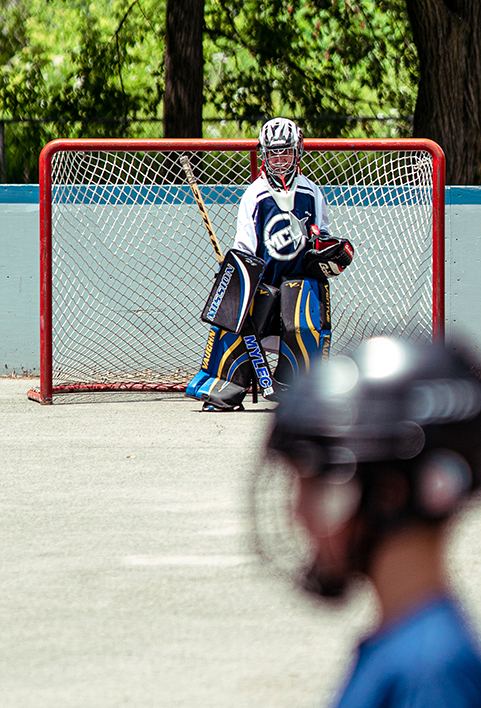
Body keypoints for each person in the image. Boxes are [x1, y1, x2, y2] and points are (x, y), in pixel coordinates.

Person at [255, 336, 481, 707]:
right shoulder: (404, 644)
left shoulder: (431, 674)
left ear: (389, 495)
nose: (297, 512)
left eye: (316, 487)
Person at [186, 117, 354, 411]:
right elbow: (245, 247)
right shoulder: (255, 194)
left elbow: (321, 235)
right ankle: (225, 385)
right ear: (263, 154)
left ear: (298, 151)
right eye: (273, 153)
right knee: (233, 310)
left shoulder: (312, 192)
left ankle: (304, 388)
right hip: (263, 286)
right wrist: (235, 278)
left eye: (285, 152)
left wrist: (325, 251)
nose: (279, 160)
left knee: (303, 305)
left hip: (299, 283)